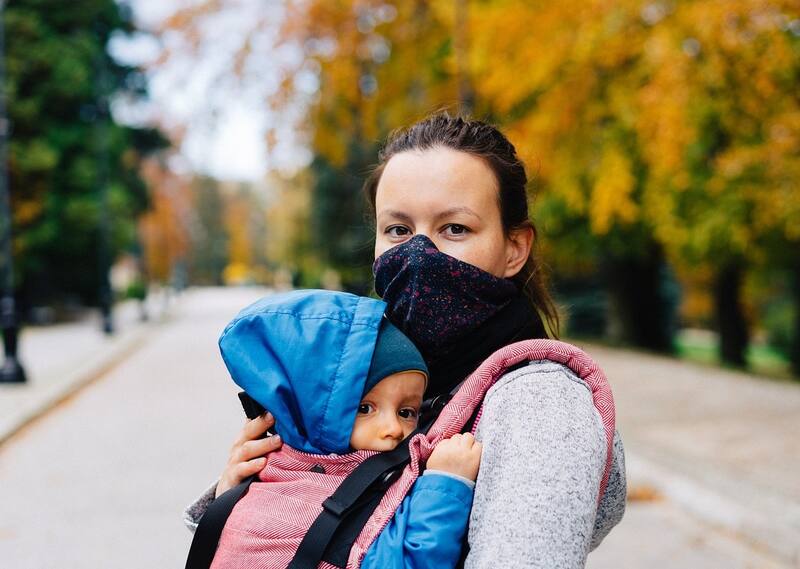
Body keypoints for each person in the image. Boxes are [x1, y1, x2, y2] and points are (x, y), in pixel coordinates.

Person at [185, 113, 627, 568]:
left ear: (514, 247)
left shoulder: (540, 404)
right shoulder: (377, 370)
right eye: (398, 230)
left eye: (454, 228)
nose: (418, 254)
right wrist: (250, 493)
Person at [209, 289, 481, 568]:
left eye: (406, 412)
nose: (393, 429)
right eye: (364, 408)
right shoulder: (279, 502)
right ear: (311, 411)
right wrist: (446, 484)